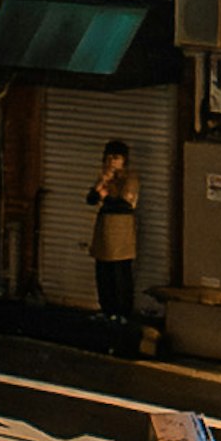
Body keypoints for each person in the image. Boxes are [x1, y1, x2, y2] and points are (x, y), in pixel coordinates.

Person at [84, 136, 141, 352]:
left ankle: (123, 312)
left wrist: (105, 195)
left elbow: (126, 203)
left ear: (124, 160)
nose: (111, 162)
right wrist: (101, 186)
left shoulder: (130, 178)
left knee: (120, 272)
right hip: (104, 229)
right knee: (103, 271)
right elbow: (91, 198)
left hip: (122, 229)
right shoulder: (104, 178)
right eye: (108, 157)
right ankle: (106, 309)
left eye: (115, 157)